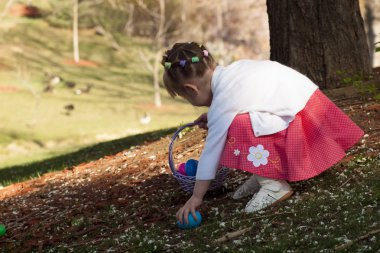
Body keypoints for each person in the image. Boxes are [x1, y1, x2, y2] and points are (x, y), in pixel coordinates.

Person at [162, 42, 364, 225]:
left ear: (191, 89)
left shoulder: (224, 99)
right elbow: (247, 100)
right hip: (306, 106)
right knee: (237, 122)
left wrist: (197, 197)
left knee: (236, 127)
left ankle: (273, 185)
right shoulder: (231, 73)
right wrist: (213, 117)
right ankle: (264, 173)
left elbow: (211, 151)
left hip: (299, 118)